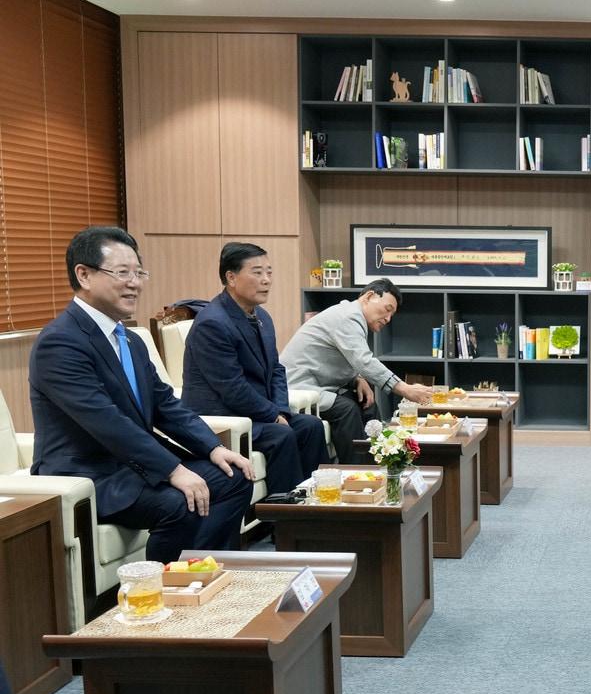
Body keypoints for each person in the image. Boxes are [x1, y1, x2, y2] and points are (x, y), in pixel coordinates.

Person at [29, 226, 255, 562]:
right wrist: (173, 470)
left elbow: (165, 404)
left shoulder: (129, 340)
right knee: (181, 504)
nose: (134, 282)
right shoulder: (60, 342)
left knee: (233, 478)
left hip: (132, 465)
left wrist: (213, 447)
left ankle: (205, 572)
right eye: (122, 273)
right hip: (92, 473)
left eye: (138, 272)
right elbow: (108, 423)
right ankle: (162, 595)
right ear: (84, 275)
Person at [181, 242, 328, 494]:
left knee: (311, 426)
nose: (266, 280)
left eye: (269, 272)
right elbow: (231, 388)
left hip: (257, 412)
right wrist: (273, 416)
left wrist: (280, 410)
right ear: (231, 277)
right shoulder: (213, 324)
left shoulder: (261, 316)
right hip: (224, 417)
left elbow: (276, 370)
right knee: (282, 436)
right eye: (257, 272)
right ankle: (283, 518)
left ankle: (316, 503)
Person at [281, 279, 433, 461]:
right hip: (300, 387)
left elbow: (349, 358)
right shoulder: (348, 317)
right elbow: (364, 360)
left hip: (322, 386)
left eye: (392, 314)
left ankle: (380, 463)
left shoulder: (352, 316)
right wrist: (404, 389)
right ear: (369, 296)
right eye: (387, 309)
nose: (388, 319)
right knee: (347, 409)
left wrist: (358, 379)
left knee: (367, 405)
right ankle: (357, 471)